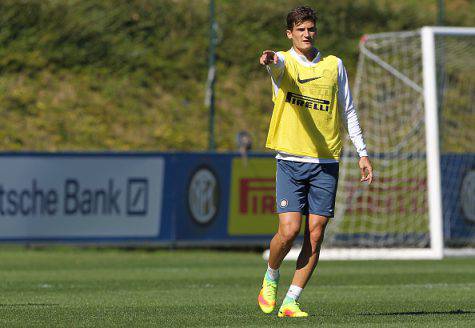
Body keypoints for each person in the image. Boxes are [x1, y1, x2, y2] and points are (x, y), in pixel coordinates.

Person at [257, 6, 373, 318]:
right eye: (301, 30)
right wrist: (270, 59)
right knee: (290, 229)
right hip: (291, 160)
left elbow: (348, 110)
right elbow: (276, 65)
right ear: (289, 34)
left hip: (326, 161)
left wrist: (362, 153)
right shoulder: (285, 63)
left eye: (311, 29)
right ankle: (271, 276)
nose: (307, 34)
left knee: (316, 232)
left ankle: (291, 301)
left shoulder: (334, 65)